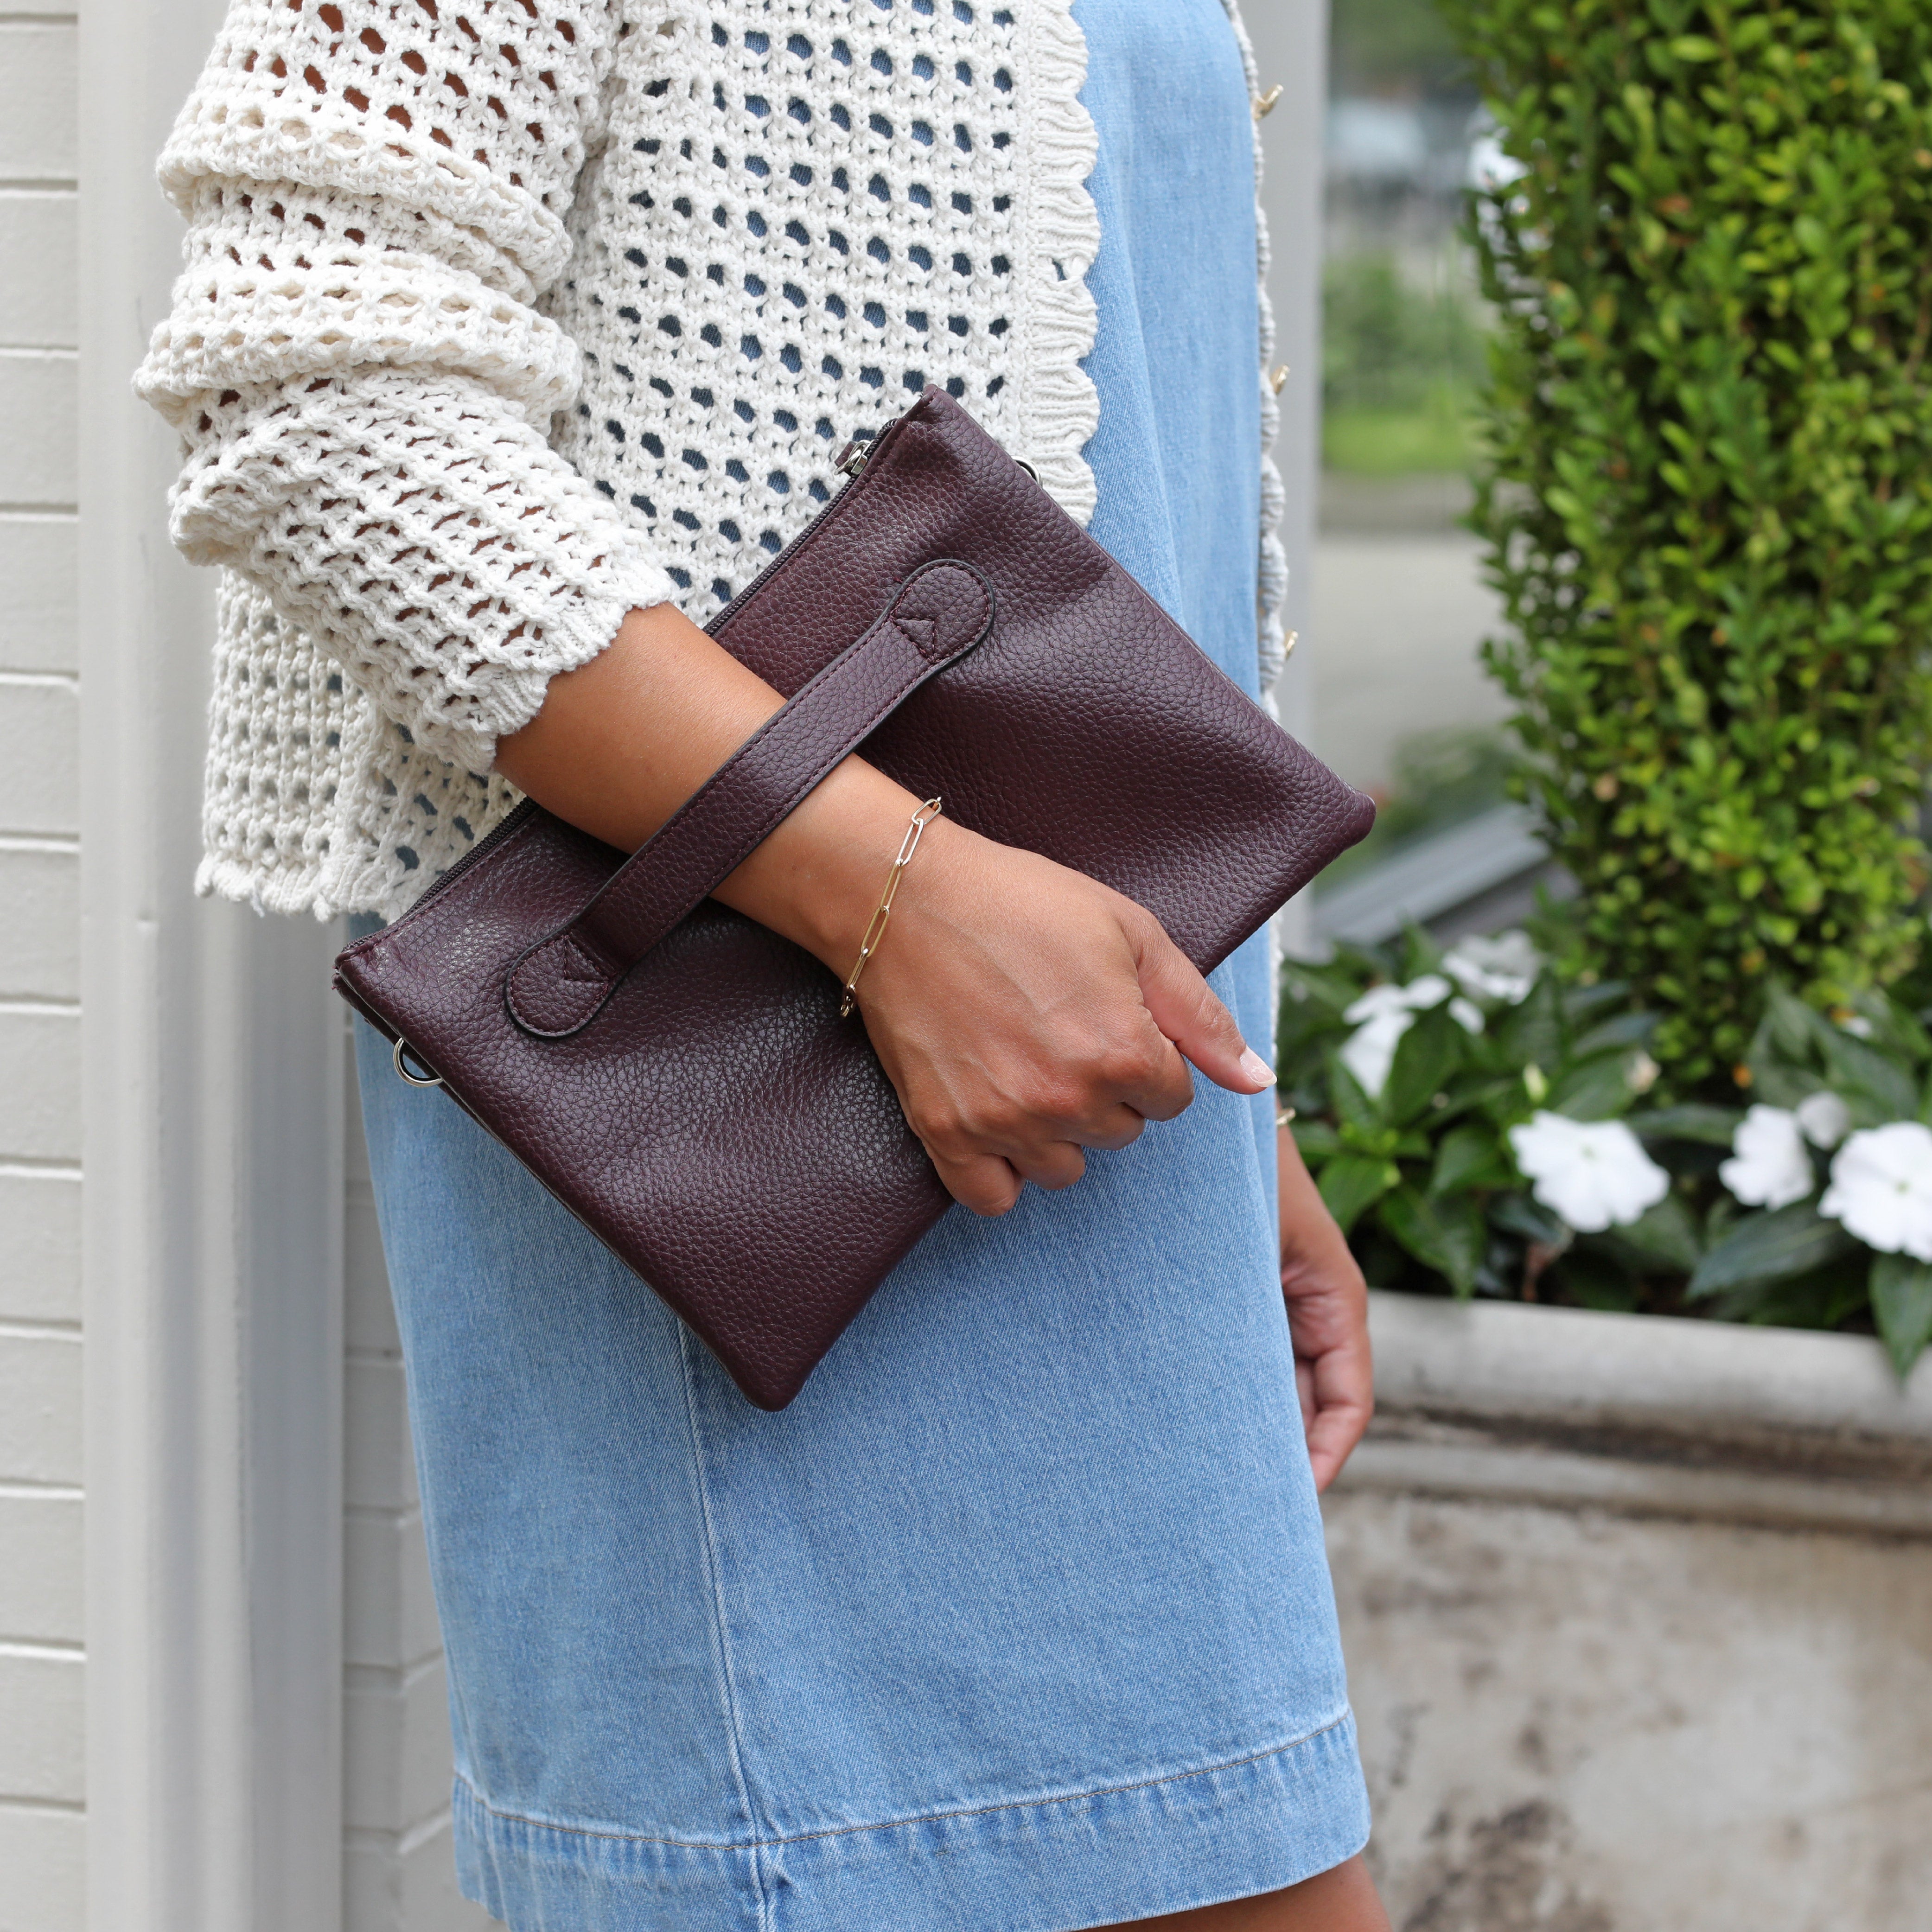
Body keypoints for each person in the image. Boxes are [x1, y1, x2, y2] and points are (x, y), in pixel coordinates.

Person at [139, 1, 1389, 1926]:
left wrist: (1224, 1114)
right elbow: (313, 387)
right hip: (752, 1091)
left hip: (1069, 1131)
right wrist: (897, 893)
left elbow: (1126, 481)